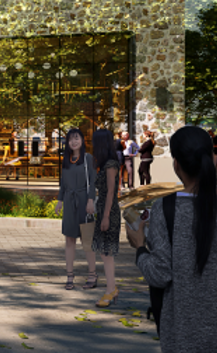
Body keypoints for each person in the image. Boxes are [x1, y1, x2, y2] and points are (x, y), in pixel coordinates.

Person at [128, 126, 217, 353]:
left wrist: (140, 248)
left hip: (181, 332)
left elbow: (159, 274)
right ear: (212, 158)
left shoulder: (165, 208)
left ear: (176, 164)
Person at [56, 128, 97, 291]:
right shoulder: (66, 160)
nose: (74, 141)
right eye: (71, 139)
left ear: (82, 140)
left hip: (84, 201)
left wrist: (90, 201)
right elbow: (62, 183)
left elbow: (92, 183)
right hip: (68, 202)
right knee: (69, 240)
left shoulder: (88, 159)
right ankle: (70, 275)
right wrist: (59, 201)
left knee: (87, 240)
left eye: (77, 138)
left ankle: (92, 275)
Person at [91, 127, 123, 307]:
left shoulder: (110, 164)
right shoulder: (105, 163)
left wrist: (105, 216)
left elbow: (112, 191)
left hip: (108, 210)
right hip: (104, 208)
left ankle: (111, 289)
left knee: (107, 252)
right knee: (104, 252)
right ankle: (111, 288)